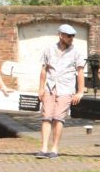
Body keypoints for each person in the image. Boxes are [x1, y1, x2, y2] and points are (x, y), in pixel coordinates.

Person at [36, 23, 86, 158]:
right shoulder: (49, 49)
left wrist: (80, 91)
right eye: (69, 36)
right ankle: (44, 148)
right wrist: (41, 88)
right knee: (46, 117)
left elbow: (80, 72)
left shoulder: (76, 52)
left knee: (58, 118)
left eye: (73, 36)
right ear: (61, 35)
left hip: (66, 88)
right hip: (50, 87)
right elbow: (44, 69)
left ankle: (54, 149)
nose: (71, 38)